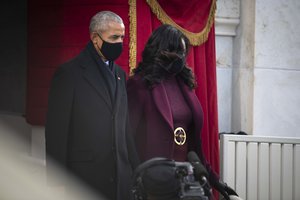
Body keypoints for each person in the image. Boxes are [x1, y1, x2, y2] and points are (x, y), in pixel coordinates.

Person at [127, 24, 237, 200]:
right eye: (177, 51)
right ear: (162, 50)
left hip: (186, 180)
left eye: (184, 53)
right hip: (155, 183)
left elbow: (195, 147)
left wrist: (216, 181)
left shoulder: (185, 85)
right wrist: (136, 179)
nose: (181, 58)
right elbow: (127, 139)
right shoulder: (139, 85)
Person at [45, 11, 139, 200]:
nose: (120, 42)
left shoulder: (120, 75)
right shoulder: (69, 73)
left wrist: (136, 170)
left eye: (122, 37)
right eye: (114, 37)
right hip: (84, 179)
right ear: (95, 38)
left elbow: (124, 127)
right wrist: (56, 182)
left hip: (121, 180)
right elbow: (57, 131)